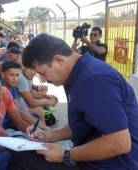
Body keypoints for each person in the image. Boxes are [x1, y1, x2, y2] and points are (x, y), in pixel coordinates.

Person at [9, 33, 138, 170]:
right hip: (95, 159)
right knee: (21, 154)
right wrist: (47, 135)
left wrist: (66, 154)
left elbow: (119, 142)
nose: (44, 80)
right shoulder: (74, 75)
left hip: (113, 165)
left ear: (59, 60)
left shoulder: (94, 80)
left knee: (23, 161)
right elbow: (81, 121)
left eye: (43, 73)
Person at [0, 60, 48, 129]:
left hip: (14, 119)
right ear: (2, 74)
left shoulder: (11, 87)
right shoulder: (2, 90)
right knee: (35, 122)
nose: (15, 79)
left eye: (17, 75)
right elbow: (19, 115)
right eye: (11, 75)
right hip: (5, 124)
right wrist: (41, 128)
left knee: (36, 117)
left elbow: (18, 109)